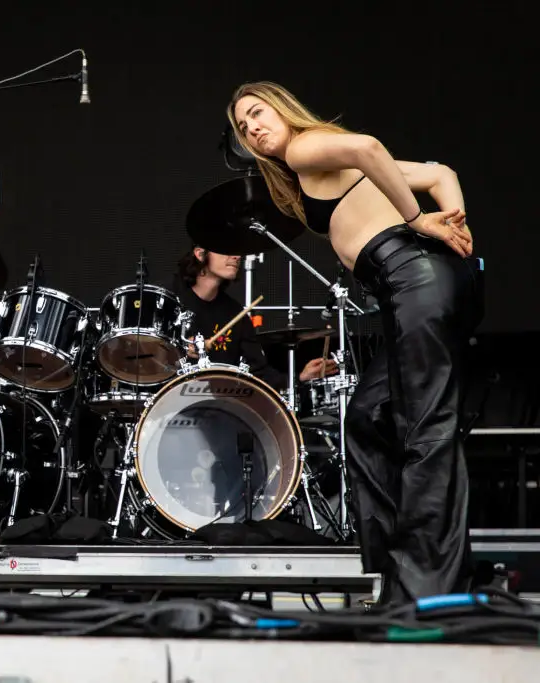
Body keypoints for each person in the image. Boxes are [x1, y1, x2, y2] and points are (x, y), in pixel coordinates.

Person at [228, 82, 482, 605]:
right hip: (416, 286)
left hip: (413, 279)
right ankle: (393, 571)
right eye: (242, 126)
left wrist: (420, 222)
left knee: (425, 429)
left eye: (257, 112)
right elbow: (441, 174)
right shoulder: (322, 166)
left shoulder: (304, 147)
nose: (252, 127)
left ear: (282, 108)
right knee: (367, 417)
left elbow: (367, 145)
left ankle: (426, 589)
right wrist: (455, 231)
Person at [173, 245, 338, 392]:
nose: (237, 256)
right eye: (226, 249)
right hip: (169, 402)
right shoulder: (169, 301)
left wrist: (300, 377)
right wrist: (178, 350)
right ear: (200, 254)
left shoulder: (235, 313)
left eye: (237, 252)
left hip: (219, 407)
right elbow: (150, 353)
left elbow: (258, 372)